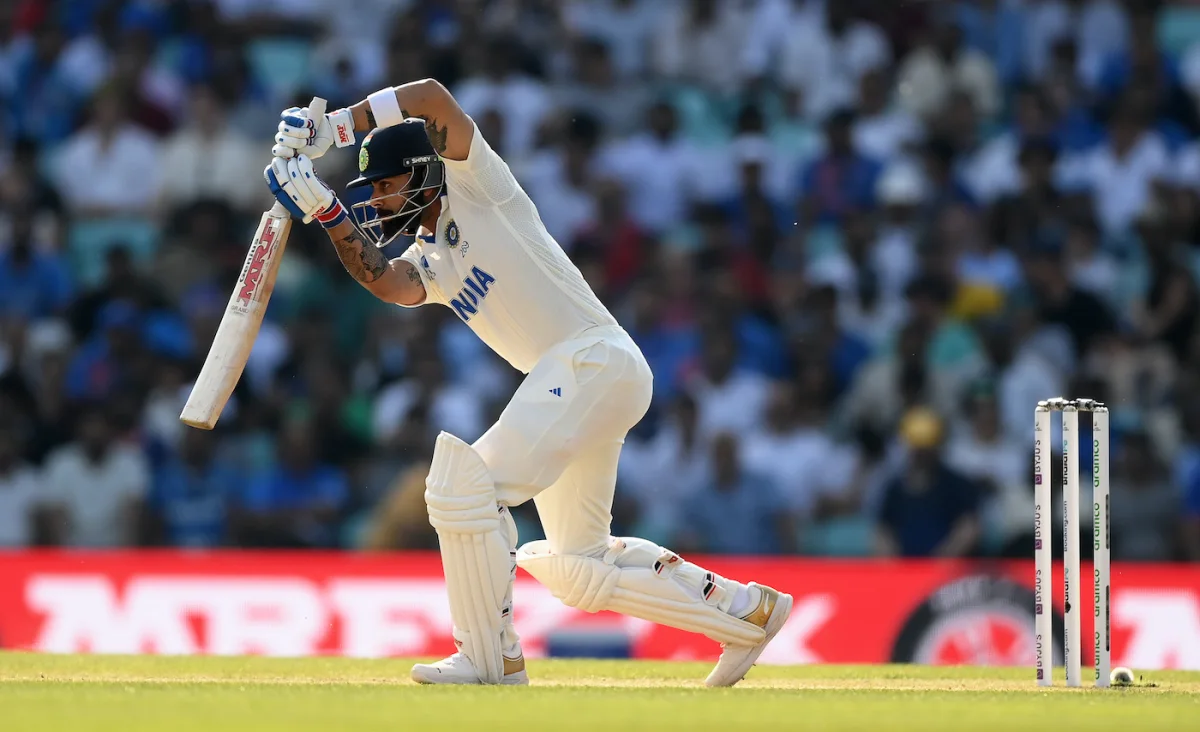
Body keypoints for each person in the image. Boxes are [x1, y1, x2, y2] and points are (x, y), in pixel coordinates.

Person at [264, 78, 793, 687]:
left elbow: (431, 96)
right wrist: (328, 214)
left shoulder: (477, 187)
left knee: (463, 489)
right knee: (578, 566)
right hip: (587, 378)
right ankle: (747, 612)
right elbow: (387, 282)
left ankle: (490, 657)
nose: (378, 202)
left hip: (591, 360)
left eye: (386, 186)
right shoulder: (428, 259)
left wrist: (335, 127)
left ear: (424, 173)